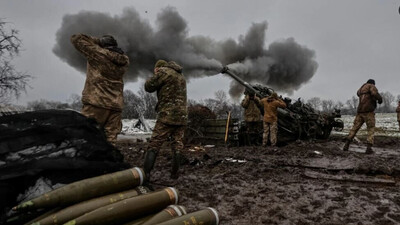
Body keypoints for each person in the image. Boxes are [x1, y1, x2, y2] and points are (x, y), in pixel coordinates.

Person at [71, 33, 129, 146]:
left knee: (87, 138)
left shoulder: (98, 54)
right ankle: (109, 163)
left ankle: (88, 163)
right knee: (110, 143)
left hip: (97, 103)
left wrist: (98, 41)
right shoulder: (124, 61)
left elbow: (76, 38)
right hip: (116, 106)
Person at [143, 60, 187, 181]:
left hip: (167, 115)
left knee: (154, 144)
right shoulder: (181, 76)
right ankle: (174, 175)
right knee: (177, 145)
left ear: (159, 67)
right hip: (182, 116)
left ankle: (145, 175)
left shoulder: (164, 72)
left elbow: (148, 87)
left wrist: (157, 73)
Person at [343, 79, 382, 154]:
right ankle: (369, 148)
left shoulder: (361, 88)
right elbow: (374, 93)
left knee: (354, 128)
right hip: (368, 112)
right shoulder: (371, 86)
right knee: (370, 129)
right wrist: (380, 99)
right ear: (373, 83)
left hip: (360, 112)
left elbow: (358, 93)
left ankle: (346, 145)